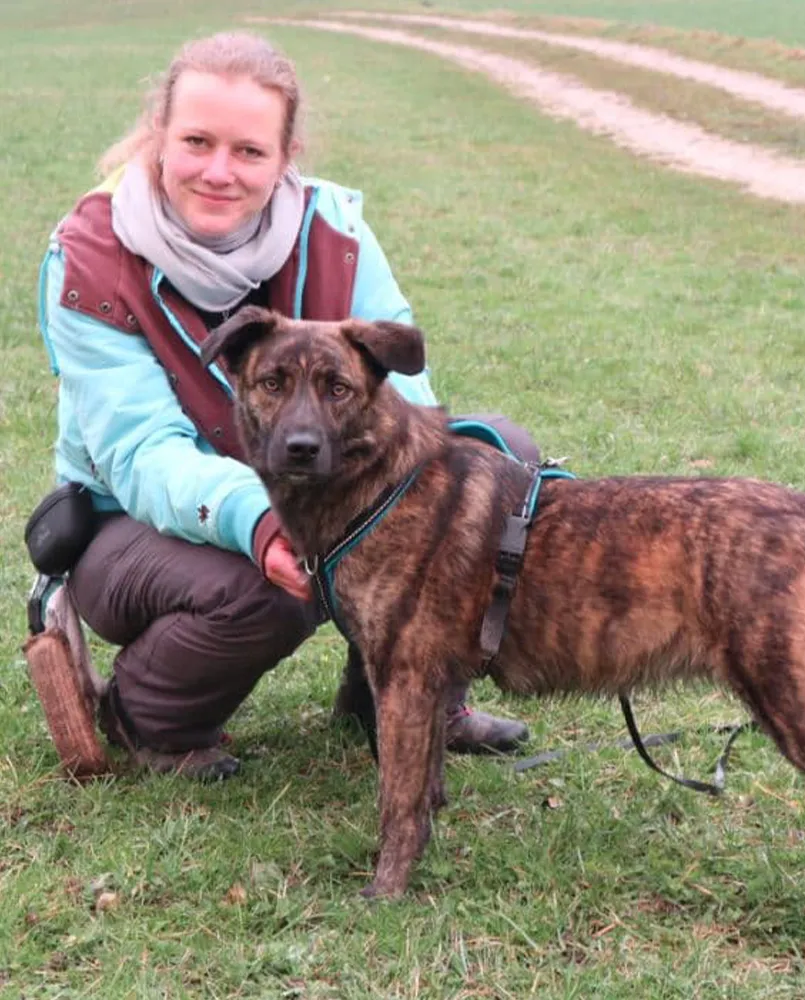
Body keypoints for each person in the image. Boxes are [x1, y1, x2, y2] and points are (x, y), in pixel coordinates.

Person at [35, 31, 532, 779]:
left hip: (313, 483)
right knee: (266, 583)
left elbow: (406, 393)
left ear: (286, 154)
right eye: (196, 142)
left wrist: (448, 475)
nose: (218, 172)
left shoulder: (333, 230)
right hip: (130, 523)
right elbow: (141, 454)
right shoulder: (92, 256)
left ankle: (400, 693)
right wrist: (261, 521)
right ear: (158, 138)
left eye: (248, 151)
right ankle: (147, 716)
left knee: (495, 464)